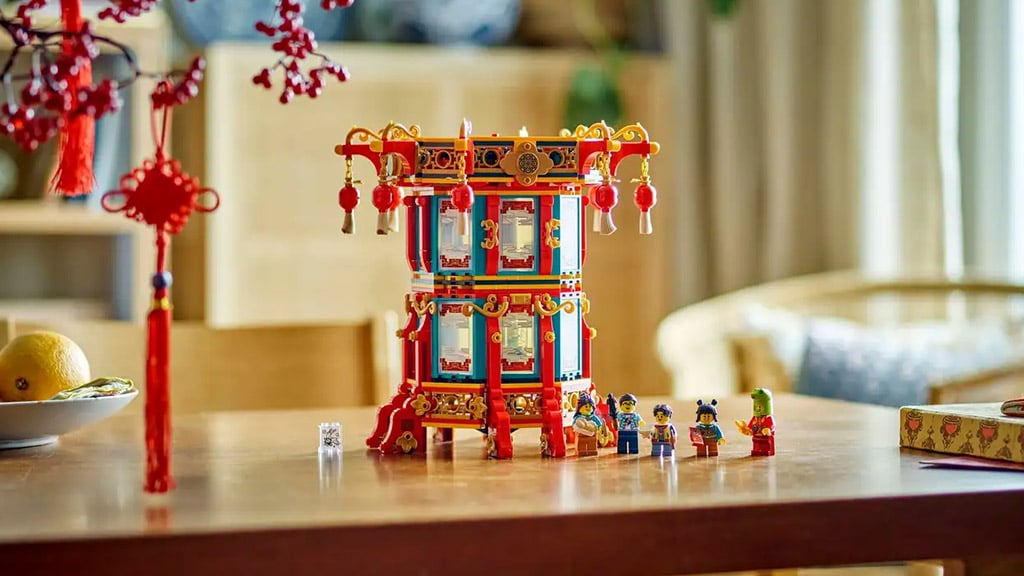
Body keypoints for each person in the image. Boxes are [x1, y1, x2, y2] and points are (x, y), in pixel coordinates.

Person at [735, 388, 775, 456]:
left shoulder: (768, 418)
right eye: (757, 407)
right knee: (756, 444)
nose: (758, 408)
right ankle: (756, 450)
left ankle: (766, 451)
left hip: (765, 438)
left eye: (760, 407)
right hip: (756, 437)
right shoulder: (755, 418)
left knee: (765, 445)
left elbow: (772, 425)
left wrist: (768, 429)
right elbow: (751, 426)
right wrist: (746, 429)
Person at [572, 393, 603, 457]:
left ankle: (592, 451)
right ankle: (581, 451)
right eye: (586, 406)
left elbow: (599, 424)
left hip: (592, 434)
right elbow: (574, 424)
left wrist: (601, 429)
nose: (588, 408)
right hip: (581, 435)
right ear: (579, 408)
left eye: (590, 406)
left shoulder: (593, 417)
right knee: (581, 444)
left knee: (592, 444)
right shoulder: (578, 418)